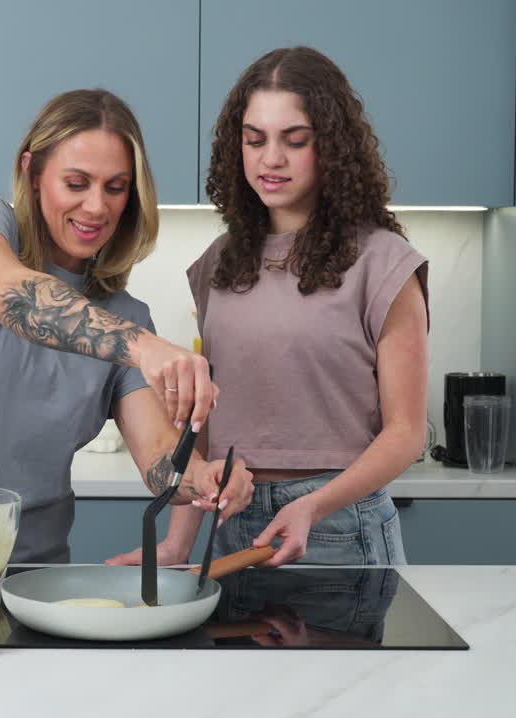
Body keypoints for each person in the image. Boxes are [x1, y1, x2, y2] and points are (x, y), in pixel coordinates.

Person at [0, 89, 253, 563]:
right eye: (76, 183)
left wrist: (203, 478)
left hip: (28, 572)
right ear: (33, 172)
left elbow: (160, 460)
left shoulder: (126, 316)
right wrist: (146, 348)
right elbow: (13, 293)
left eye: (115, 187)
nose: (96, 207)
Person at [109, 47, 428, 568]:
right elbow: (206, 427)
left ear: (332, 146)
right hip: (231, 525)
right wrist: (176, 544)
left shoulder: (384, 263)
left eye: (294, 140)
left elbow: (406, 433)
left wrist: (313, 506)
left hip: (338, 528)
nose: (270, 159)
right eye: (254, 140)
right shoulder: (219, 264)